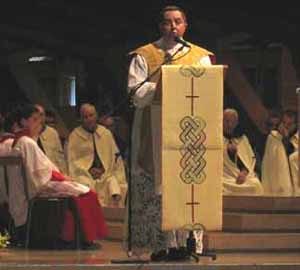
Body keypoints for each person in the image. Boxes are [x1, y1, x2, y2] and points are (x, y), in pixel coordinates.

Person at [127, 5, 216, 260]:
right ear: (161, 27)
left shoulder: (200, 55)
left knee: (185, 185)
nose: (173, 26)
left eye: (178, 21)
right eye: (167, 22)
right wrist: (163, 83)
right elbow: (135, 94)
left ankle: (186, 244)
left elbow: (208, 89)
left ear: (185, 25)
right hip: (153, 127)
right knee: (159, 186)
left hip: (189, 128)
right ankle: (160, 244)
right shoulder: (145, 55)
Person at [6, 104, 108, 248]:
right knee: (87, 193)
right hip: (40, 186)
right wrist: (63, 178)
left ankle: (82, 238)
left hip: (34, 186)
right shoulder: (27, 142)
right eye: (34, 120)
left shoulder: (21, 141)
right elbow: (40, 173)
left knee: (83, 189)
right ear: (23, 122)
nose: (38, 124)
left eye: (39, 121)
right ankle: (83, 239)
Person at [67, 103, 127, 207]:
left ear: (96, 116)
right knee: (85, 185)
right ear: (81, 119)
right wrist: (88, 170)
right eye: (85, 117)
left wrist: (104, 170)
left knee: (114, 184)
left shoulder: (106, 133)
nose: (89, 119)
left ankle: (113, 218)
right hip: (84, 175)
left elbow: (115, 159)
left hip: (106, 174)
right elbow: (72, 162)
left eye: (91, 115)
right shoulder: (74, 136)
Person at [223, 108, 263, 196]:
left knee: (256, 185)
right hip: (226, 178)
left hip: (241, 177)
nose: (229, 125)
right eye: (226, 121)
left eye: (232, 122)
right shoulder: (217, 141)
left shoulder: (242, 139)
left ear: (236, 123)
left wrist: (244, 172)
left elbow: (250, 160)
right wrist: (227, 151)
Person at [262, 110, 297, 196]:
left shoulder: (295, 136)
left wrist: (286, 138)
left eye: (289, 124)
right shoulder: (274, 136)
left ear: (295, 125)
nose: (285, 126)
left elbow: (292, 153)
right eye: (284, 123)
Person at [34, 104, 68, 174]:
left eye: (41, 115)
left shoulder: (53, 133)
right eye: (36, 115)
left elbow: (60, 158)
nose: (39, 118)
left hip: (54, 173)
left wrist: (64, 175)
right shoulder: (28, 135)